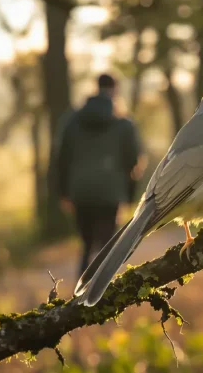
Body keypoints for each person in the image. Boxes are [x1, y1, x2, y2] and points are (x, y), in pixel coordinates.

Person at [56, 73, 145, 279]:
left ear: (96, 87)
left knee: (86, 244)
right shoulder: (124, 124)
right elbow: (133, 162)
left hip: (80, 190)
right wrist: (130, 195)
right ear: (116, 89)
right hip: (111, 192)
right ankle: (101, 294)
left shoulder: (72, 120)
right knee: (106, 246)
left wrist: (64, 193)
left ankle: (79, 295)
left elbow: (61, 159)